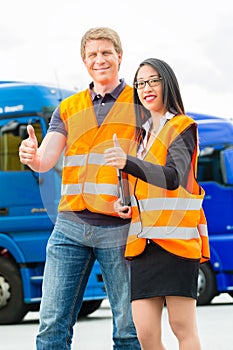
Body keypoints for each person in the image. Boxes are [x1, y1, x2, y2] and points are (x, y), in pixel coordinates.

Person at [19, 27, 141, 350]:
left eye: (106, 53)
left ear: (119, 56)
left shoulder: (140, 103)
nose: (99, 60)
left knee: (129, 329)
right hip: (70, 225)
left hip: (120, 227)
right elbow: (46, 160)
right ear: (84, 61)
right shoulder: (69, 108)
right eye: (92, 55)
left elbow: (155, 162)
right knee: (51, 327)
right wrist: (32, 156)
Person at [104, 58, 210, 350]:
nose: (145, 88)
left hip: (175, 244)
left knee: (182, 328)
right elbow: (143, 190)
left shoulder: (182, 127)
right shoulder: (141, 137)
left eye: (153, 80)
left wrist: (129, 162)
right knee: (146, 334)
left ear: (167, 83)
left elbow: (173, 177)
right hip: (143, 246)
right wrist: (123, 204)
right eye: (140, 83)